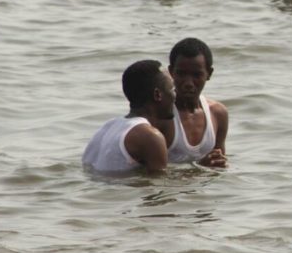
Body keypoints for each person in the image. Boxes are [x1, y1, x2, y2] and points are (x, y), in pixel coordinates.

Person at [83, 60, 175, 174]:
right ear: (157, 95)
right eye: (172, 90)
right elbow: (160, 182)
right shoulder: (151, 137)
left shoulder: (108, 126)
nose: (175, 96)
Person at [157, 38, 228, 167]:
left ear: (209, 74)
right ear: (171, 72)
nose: (188, 83)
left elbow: (219, 168)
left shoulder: (218, 113)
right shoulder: (160, 116)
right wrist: (199, 167)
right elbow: (151, 173)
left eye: (196, 75)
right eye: (181, 74)